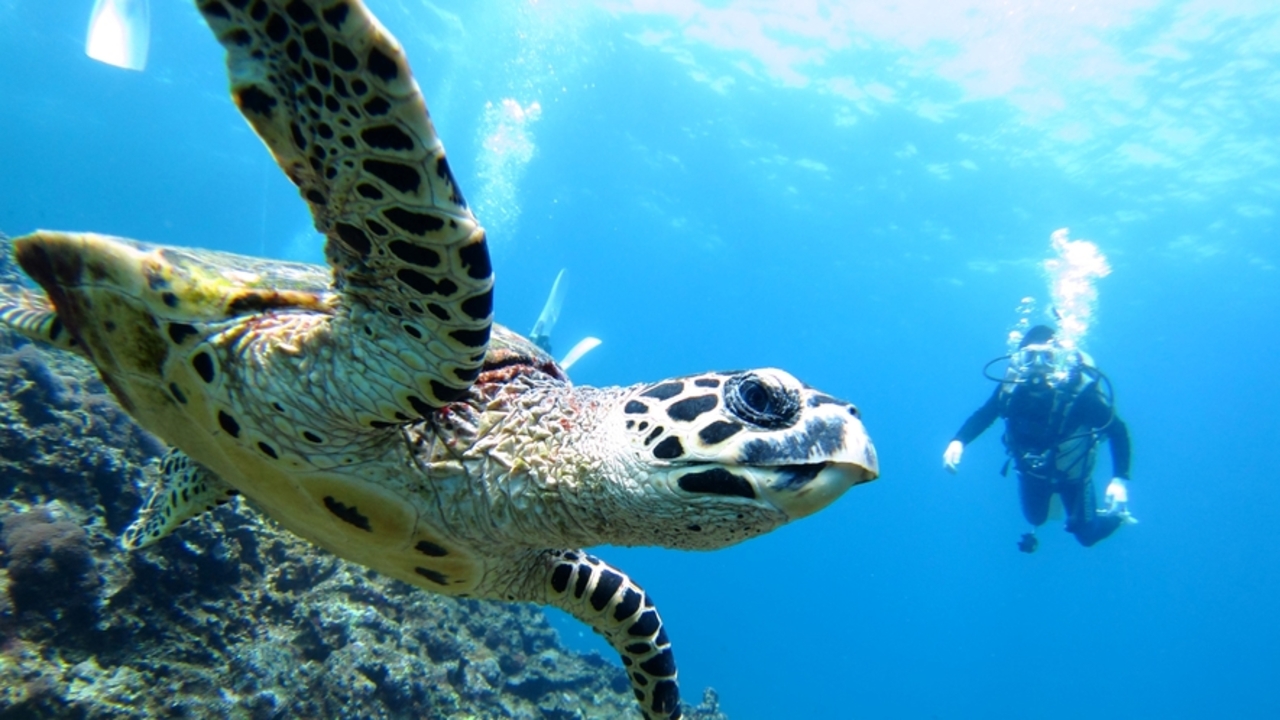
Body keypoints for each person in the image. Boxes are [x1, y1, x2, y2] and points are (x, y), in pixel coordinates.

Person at [943, 325, 1134, 553]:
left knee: (1086, 535)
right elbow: (985, 414)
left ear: (1059, 360)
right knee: (1036, 518)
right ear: (1018, 360)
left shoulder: (1080, 396)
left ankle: (1118, 517)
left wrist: (1119, 479)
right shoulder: (1010, 390)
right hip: (1031, 471)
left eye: (1047, 357)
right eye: (1029, 357)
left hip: (1073, 474)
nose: (1038, 366)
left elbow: (1117, 430)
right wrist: (958, 441)